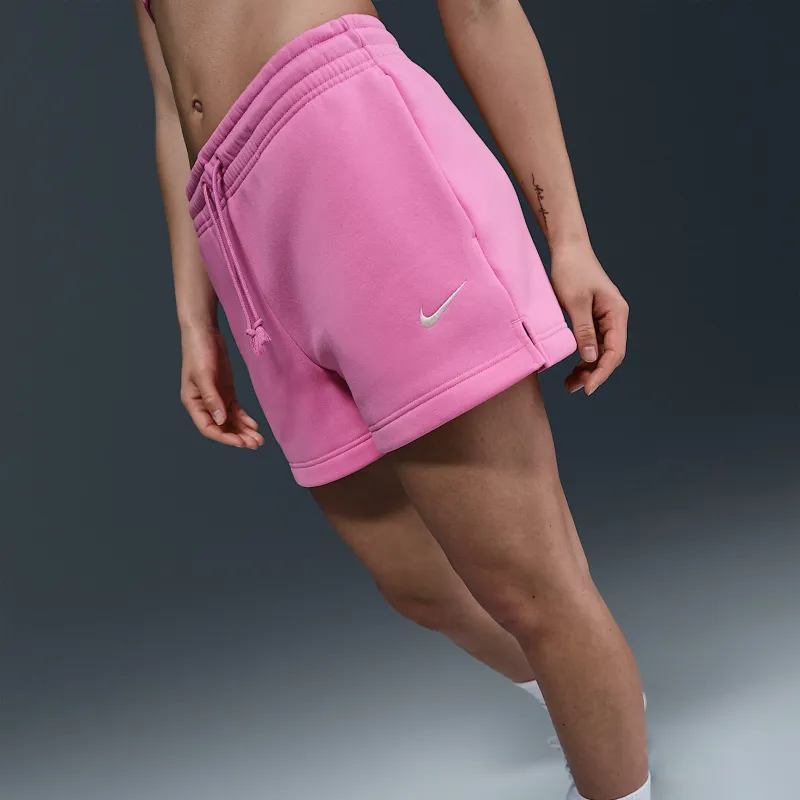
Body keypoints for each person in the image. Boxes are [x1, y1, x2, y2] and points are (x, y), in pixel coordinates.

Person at [134, 1, 650, 798]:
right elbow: (174, 106)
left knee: (528, 583)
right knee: (419, 584)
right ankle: (596, 703)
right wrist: (194, 316)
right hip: (237, 223)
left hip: (351, 147)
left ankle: (609, 755)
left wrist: (570, 239)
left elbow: (481, 11)